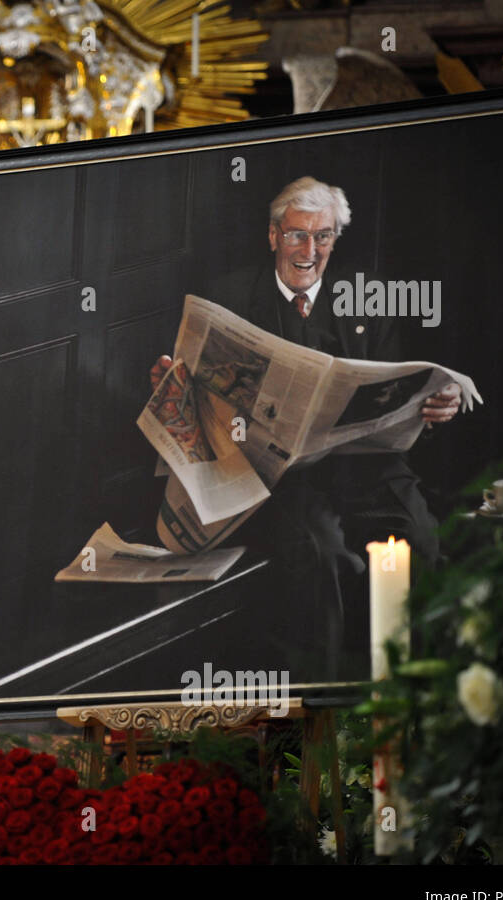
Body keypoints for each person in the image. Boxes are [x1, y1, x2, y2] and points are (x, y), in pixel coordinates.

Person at [149, 177, 462, 678]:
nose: (309, 250)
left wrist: (433, 409)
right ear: (273, 235)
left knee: (422, 539)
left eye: (323, 236)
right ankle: (326, 708)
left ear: (336, 238)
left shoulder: (369, 297)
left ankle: (412, 696)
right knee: (323, 557)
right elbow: (198, 394)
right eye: (296, 235)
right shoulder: (230, 295)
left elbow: (394, 392)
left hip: (369, 468)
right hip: (284, 478)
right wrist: (173, 384)